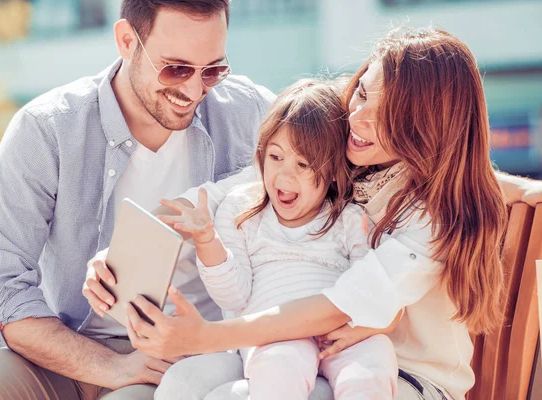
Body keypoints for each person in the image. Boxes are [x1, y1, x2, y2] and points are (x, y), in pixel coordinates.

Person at [100, 27, 542, 400]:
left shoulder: (433, 214)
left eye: (387, 111)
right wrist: (120, 256)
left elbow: (339, 306)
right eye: (363, 92)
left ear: (427, 125)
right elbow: (217, 197)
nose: (359, 117)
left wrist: (208, 337)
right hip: (312, 352)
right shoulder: (343, 155)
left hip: (406, 378)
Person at [0, 1, 276, 399]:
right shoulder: (47, 129)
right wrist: (110, 366)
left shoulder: (253, 113)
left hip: (190, 358)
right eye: (176, 68)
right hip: (63, 347)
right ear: (126, 41)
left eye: (214, 70)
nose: (193, 89)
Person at [155, 78, 399, 400]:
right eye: (275, 157)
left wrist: (359, 330)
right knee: (279, 365)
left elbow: (369, 288)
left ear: (332, 174)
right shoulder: (241, 211)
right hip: (274, 336)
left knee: (374, 360)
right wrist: (206, 241)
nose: (285, 175)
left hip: (338, 334)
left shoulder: (350, 218)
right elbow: (234, 296)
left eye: (303, 164)